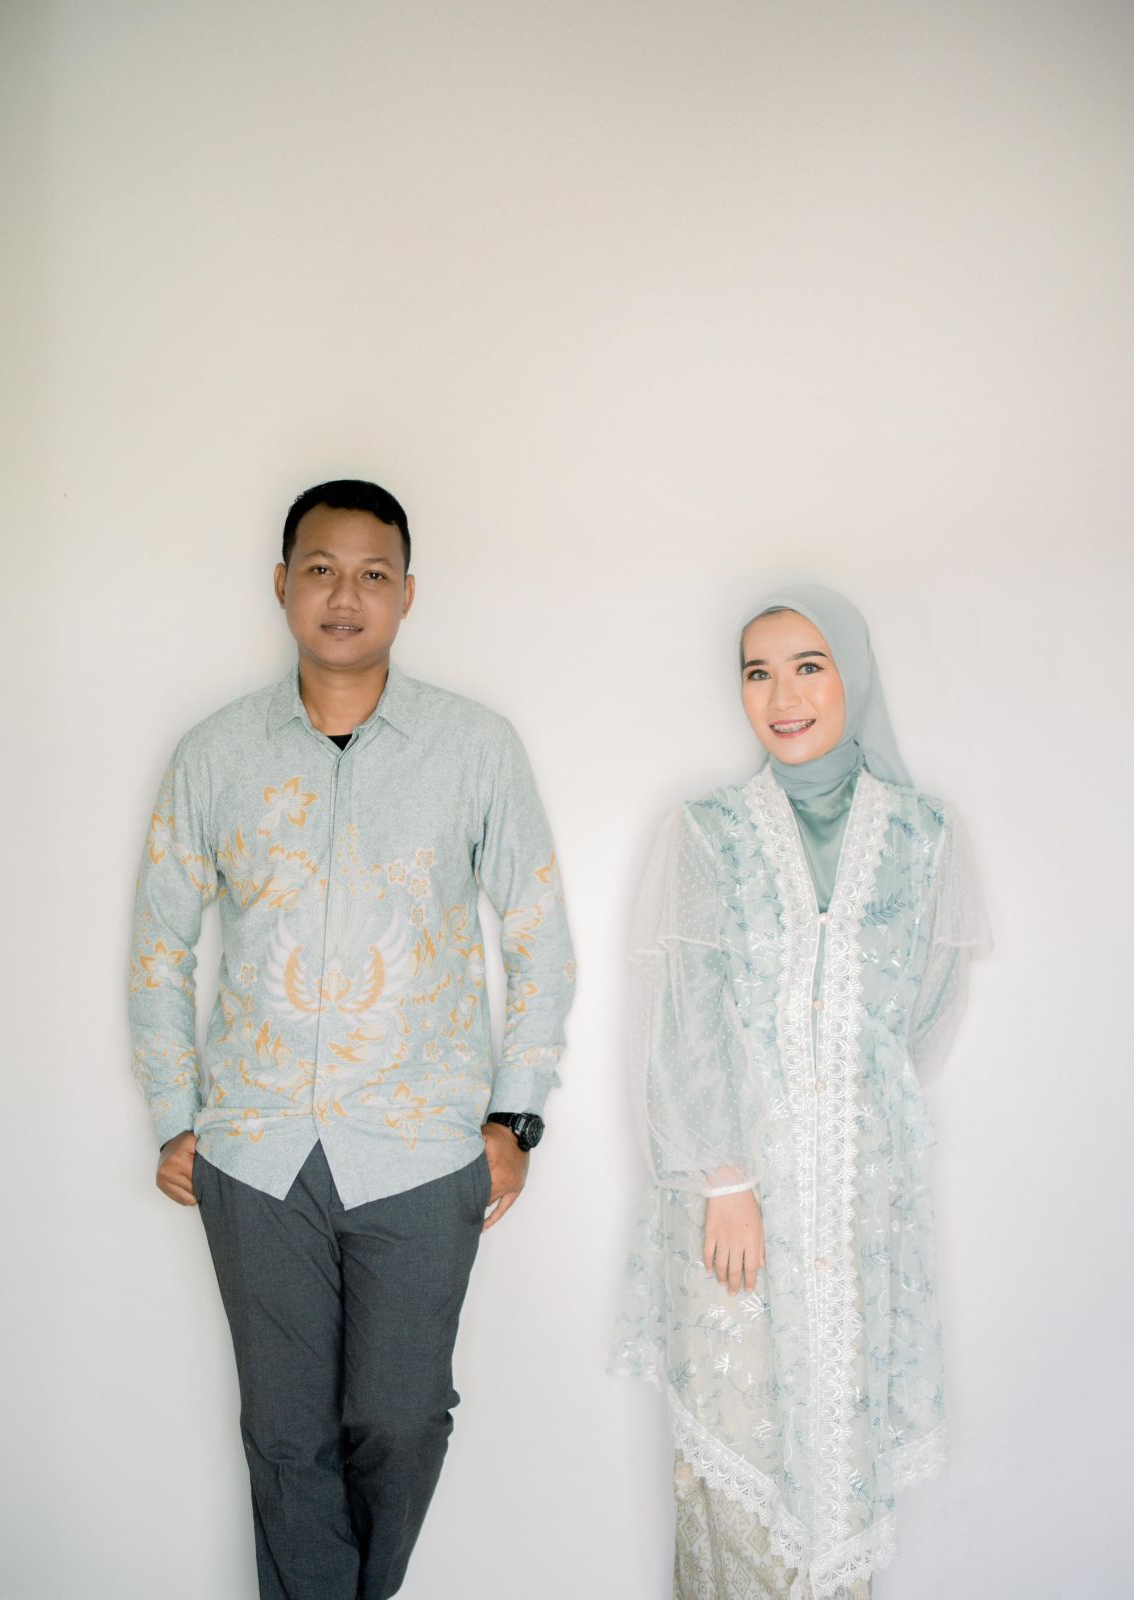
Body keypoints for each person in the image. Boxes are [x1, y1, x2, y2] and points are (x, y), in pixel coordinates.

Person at [129, 479, 575, 1599]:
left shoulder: (474, 747)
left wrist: (515, 1117)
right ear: (282, 585)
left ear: (406, 594)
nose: (345, 595)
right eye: (321, 570)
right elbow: (159, 945)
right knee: (284, 1433)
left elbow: (538, 934)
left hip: (423, 1148)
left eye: (373, 573)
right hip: (255, 1149)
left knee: (400, 1416)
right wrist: (176, 1115)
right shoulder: (214, 754)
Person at [613, 584, 990, 1600]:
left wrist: (842, 1124)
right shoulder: (708, 833)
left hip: (859, 1213)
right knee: (737, 1471)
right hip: (732, 1208)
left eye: (807, 666)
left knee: (838, 1465)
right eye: (757, 673)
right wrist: (726, 1176)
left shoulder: (920, 835)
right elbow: (683, 1020)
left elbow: (922, 1013)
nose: (781, 697)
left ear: (851, 676)